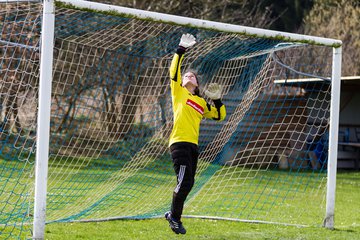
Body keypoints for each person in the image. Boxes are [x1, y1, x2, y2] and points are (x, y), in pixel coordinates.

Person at [165, 33, 226, 234]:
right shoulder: (179, 92)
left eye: (193, 76)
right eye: (186, 76)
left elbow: (219, 116)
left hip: (193, 146)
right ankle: (174, 217)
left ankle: (172, 215)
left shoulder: (200, 102)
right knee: (184, 182)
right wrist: (181, 49)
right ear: (181, 83)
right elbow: (174, 70)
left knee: (188, 182)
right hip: (179, 143)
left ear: (197, 84)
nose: (189, 76)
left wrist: (217, 99)